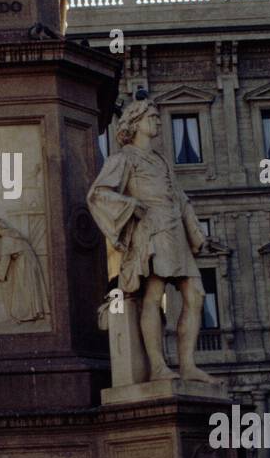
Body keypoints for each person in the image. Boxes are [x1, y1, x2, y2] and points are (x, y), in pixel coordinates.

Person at [87, 97, 212, 382]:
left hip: (175, 232)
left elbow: (179, 197)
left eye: (156, 116)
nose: (157, 121)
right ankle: (157, 366)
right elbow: (98, 194)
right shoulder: (123, 158)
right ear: (135, 122)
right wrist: (131, 206)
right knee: (153, 297)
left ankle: (188, 365)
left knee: (196, 295)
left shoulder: (161, 160)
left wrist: (194, 231)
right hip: (152, 233)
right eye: (152, 117)